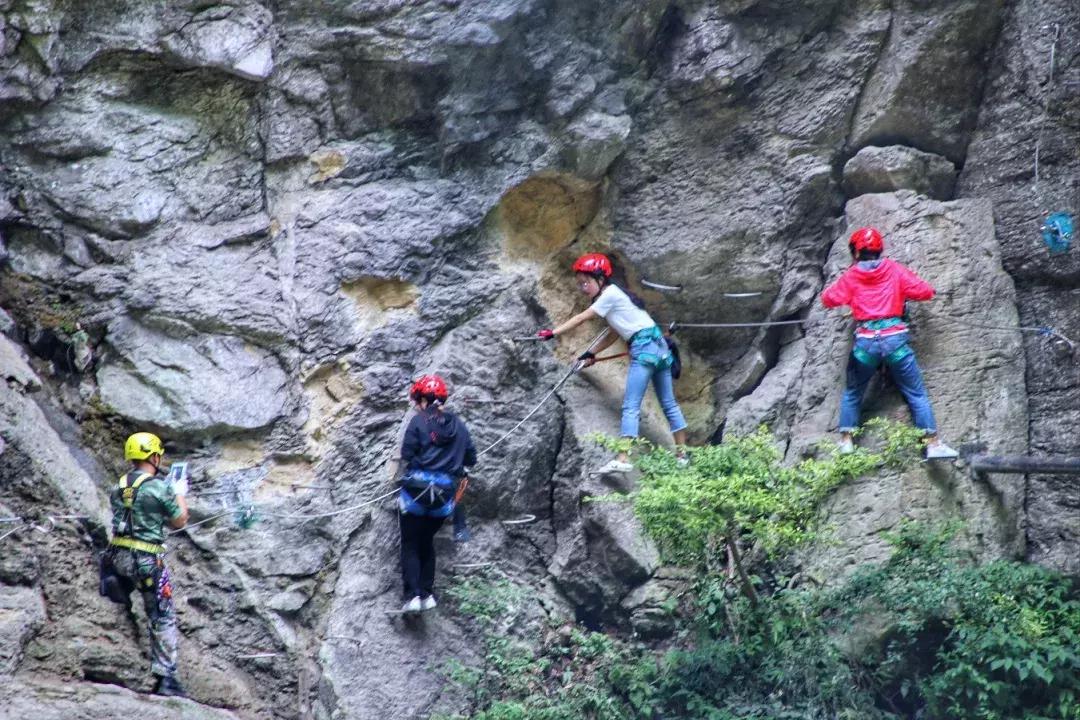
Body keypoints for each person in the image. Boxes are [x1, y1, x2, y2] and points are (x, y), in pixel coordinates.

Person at [537, 253, 688, 474]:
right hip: (660, 349)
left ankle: (623, 458)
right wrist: (590, 353)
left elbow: (581, 318)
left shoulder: (609, 295)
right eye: (580, 284)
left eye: (585, 282)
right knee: (669, 404)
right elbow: (613, 334)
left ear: (600, 279)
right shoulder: (617, 297)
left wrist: (553, 333)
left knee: (631, 405)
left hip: (645, 350)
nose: (583, 288)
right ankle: (682, 456)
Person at [822, 227, 959, 460]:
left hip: (866, 345)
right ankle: (933, 444)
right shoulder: (894, 269)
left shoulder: (852, 276)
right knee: (916, 394)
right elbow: (924, 292)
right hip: (895, 343)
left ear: (856, 252)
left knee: (853, 391)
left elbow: (828, 299)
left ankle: (846, 441)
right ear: (879, 250)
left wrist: (854, 298)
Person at [101, 432, 189, 696]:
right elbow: (180, 520)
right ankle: (166, 678)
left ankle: (118, 584)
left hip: (118, 556)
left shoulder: (118, 486)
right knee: (162, 615)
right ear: (153, 456)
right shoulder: (159, 488)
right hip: (148, 561)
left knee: (128, 575)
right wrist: (179, 492)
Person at [398, 375, 476, 613]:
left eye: (417, 400)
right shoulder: (459, 426)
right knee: (427, 541)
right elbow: (471, 458)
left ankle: (413, 596)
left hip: (416, 494)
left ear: (423, 399)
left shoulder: (418, 421)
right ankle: (427, 594)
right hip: (443, 498)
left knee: (411, 543)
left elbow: (407, 454)